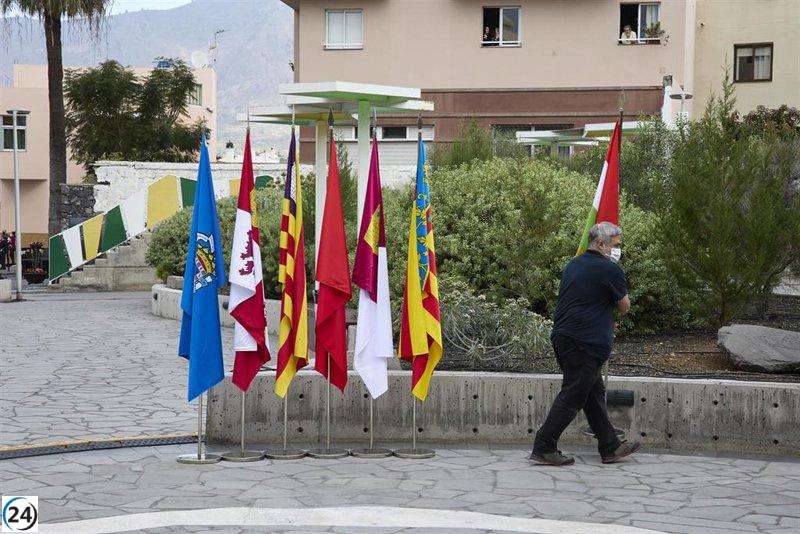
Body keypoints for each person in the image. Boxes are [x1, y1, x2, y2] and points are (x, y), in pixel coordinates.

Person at [531, 222, 641, 466]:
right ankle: (544, 446)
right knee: (573, 395)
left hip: (566, 338)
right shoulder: (610, 269)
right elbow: (625, 306)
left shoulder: (573, 264)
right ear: (600, 244)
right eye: (615, 245)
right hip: (585, 343)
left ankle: (610, 446)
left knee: (593, 394)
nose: (617, 250)